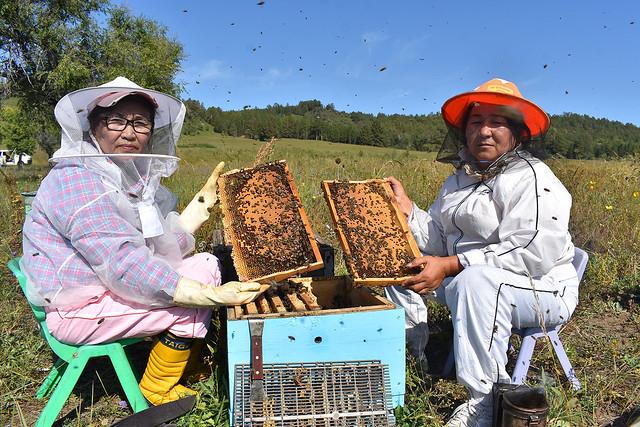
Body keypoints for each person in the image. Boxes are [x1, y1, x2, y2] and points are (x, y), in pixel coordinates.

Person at [21, 76, 268, 406]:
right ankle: (158, 387)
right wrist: (207, 296)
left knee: (206, 265)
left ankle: (185, 363)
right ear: (94, 126)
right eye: (116, 120)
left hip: (104, 289)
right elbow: (124, 264)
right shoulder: (76, 179)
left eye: (140, 122)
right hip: (80, 309)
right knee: (187, 301)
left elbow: (158, 247)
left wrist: (202, 206)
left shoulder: (123, 174)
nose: (129, 132)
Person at [386, 78, 579, 426]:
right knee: (399, 265)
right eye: (476, 122)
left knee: (475, 282)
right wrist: (408, 210)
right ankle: (412, 358)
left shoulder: (533, 177)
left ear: (517, 133)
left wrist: (451, 265)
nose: (485, 131)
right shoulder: (460, 179)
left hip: (541, 289)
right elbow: (438, 238)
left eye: (497, 122)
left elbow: (532, 250)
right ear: (464, 131)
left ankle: (485, 402)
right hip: (472, 281)